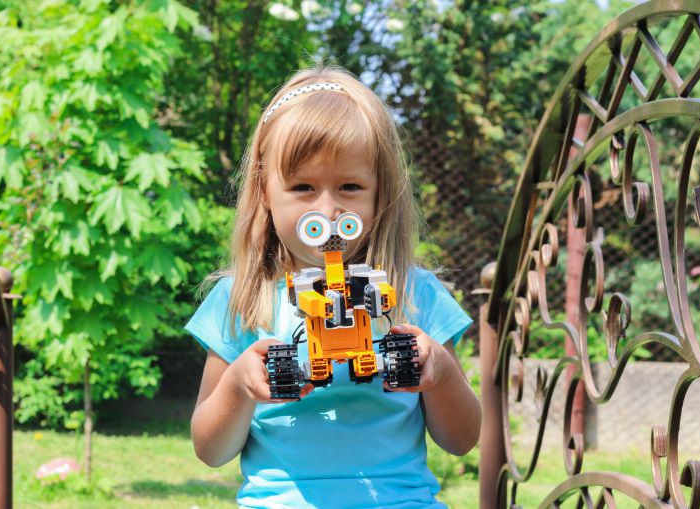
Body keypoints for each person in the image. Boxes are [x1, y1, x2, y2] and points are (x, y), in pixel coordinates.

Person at [186, 65, 481, 509]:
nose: (327, 210)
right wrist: (238, 386)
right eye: (302, 186)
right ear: (265, 189)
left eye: (349, 186)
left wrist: (438, 371)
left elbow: (462, 440)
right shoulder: (241, 300)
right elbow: (210, 450)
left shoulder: (415, 295)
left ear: (380, 192)